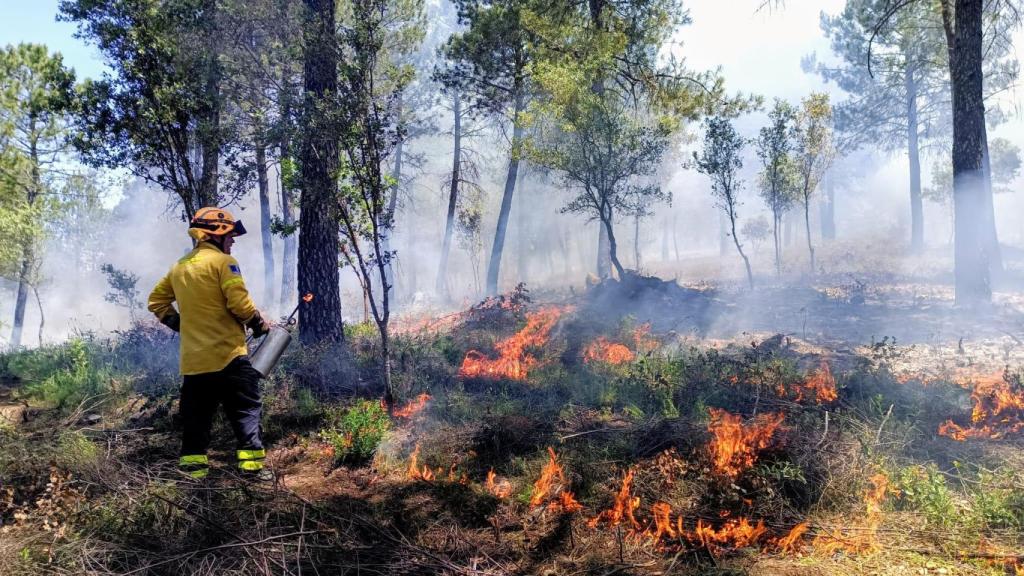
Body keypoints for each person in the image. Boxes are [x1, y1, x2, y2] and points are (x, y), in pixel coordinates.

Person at [148, 207, 272, 481]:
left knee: (196, 421)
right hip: (229, 357)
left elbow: (156, 301)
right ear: (216, 233)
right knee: (245, 413)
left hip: (194, 364)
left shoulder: (179, 267)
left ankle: (194, 477)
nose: (233, 240)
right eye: (230, 234)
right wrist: (258, 323)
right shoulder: (224, 263)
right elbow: (240, 304)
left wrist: (181, 324)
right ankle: (252, 473)